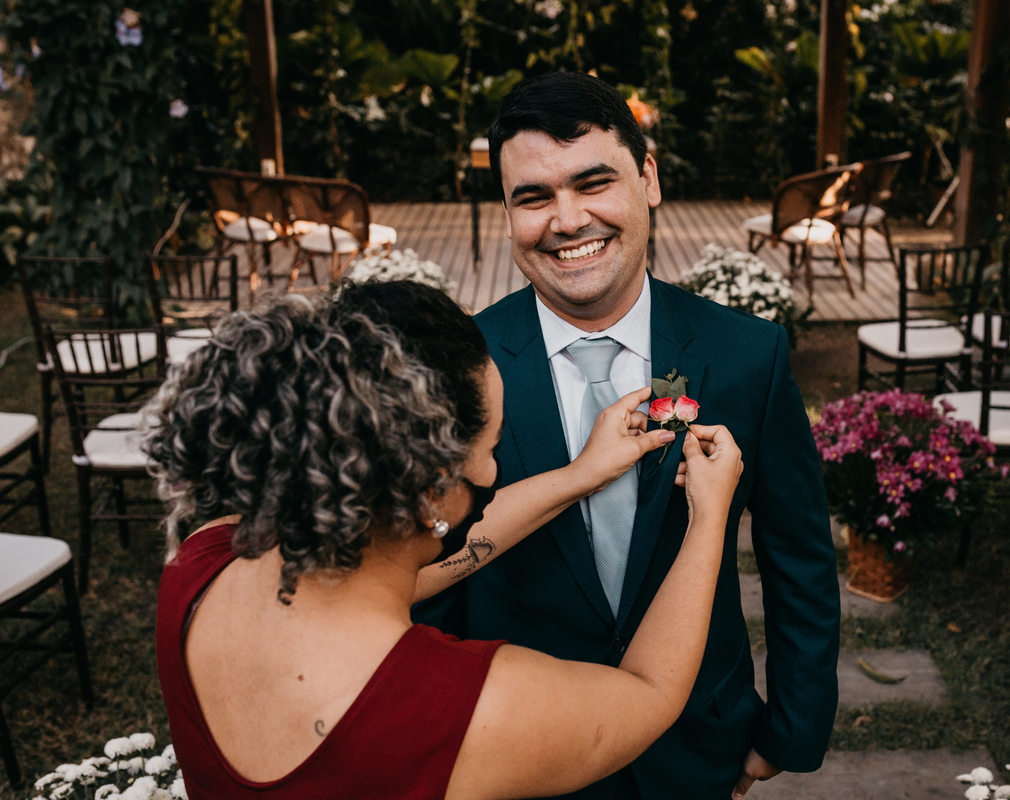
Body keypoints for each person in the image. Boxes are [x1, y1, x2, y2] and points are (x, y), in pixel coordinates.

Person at [413, 72, 841, 799]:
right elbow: (427, 574)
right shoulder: (459, 366)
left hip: (698, 741)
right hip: (517, 753)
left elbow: (798, 558)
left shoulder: (747, 355)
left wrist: (789, 733)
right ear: (508, 211)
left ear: (648, 178)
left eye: (593, 183)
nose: (567, 220)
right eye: (533, 197)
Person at [146, 280, 744, 799]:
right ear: (431, 486)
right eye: (491, 448)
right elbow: (649, 693)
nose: (493, 471)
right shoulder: (459, 708)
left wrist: (579, 475)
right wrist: (710, 518)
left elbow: (395, 577)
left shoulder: (204, 560)